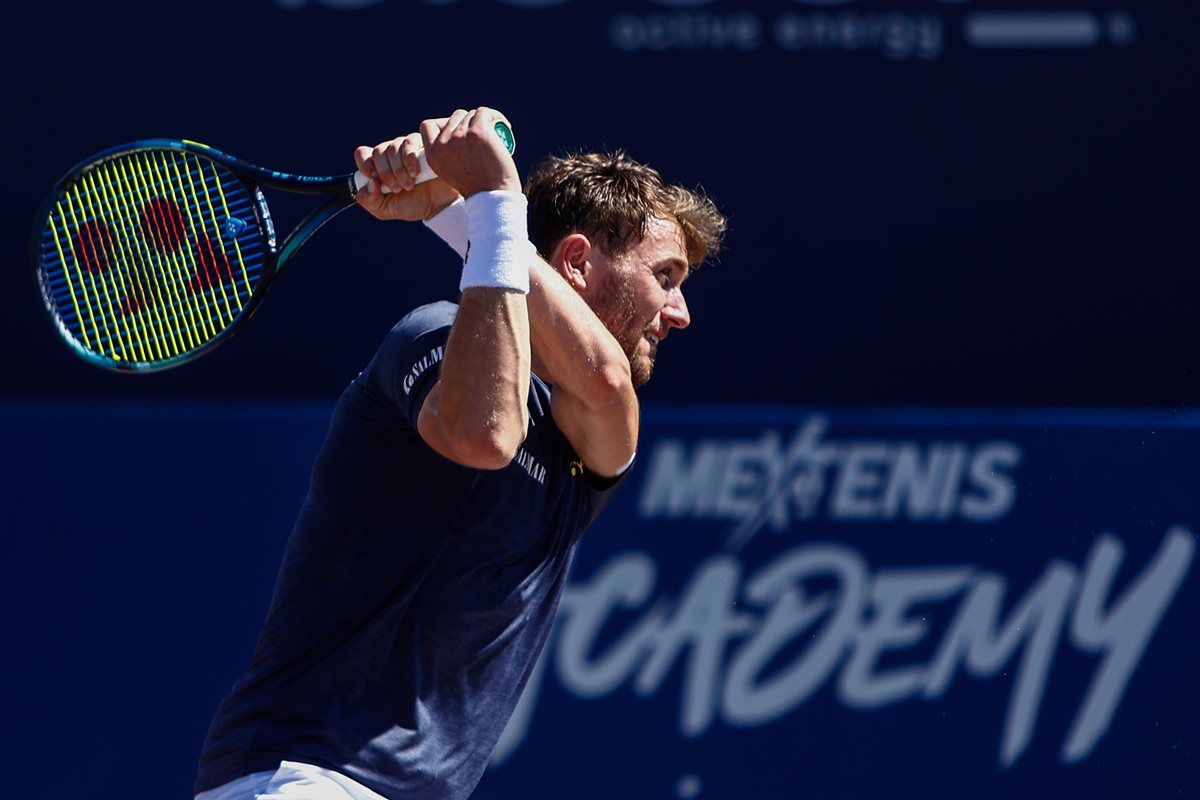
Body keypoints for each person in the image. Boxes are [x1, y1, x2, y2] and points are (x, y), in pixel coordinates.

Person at [193, 107, 726, 800]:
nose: (680, 312)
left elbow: (602, 378)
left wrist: (459, 208)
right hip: (303, 775)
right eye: (666, 276)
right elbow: (485, 435)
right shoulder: (432, 336)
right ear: (576, 263)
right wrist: (485, 200)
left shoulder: (597, 431)